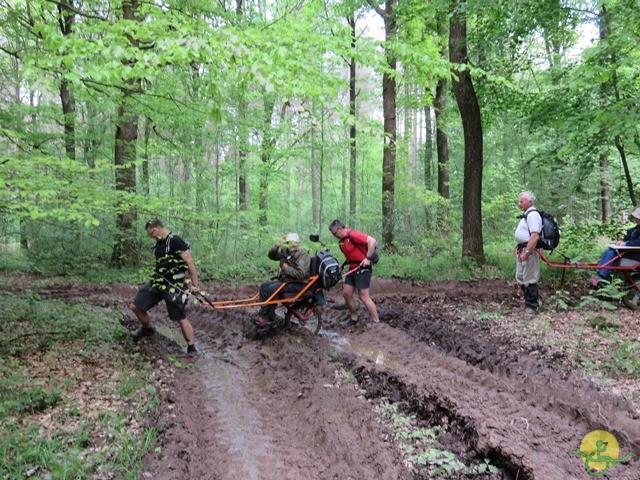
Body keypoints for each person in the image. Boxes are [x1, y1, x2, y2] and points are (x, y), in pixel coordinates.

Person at [130, 219, 201, 354]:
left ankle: (192, 348)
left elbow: (189, 261)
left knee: (180, 318)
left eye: (151, 233)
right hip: (158, 282)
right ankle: (148, 330)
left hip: (174, 285)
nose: (150, 237)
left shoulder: (175, 240)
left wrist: (195, 284)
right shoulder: (159, 242)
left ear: (157, 228)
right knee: (135, 306)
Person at [253, 233, 311, 327]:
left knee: (272, 288)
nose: (291, 245)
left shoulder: (303, 255)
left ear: (298, 243)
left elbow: (301, 274)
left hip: (298, 283)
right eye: (289, 242)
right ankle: (266, 314)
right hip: (287, 281)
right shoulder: (285, 252)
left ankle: (268, 317)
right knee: (264, 287)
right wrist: (276, 246)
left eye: (294, 243)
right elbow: (272, 256)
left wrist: (286, 268)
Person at [328, 219, 379, 326]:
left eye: (334, 233)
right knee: (346, 294)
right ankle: (354, 318)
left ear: (340, 229)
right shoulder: (343, 241)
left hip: (363, 269)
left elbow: (372, 241)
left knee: (363, 296)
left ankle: (376, 321)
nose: (334, 236)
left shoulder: (353, 234)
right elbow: (352, 253)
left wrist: (368, 258)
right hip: (352, 268)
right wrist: (343, 264)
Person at [588, 207, 640, 287]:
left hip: (636, 255)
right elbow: (627, 239)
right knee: (607, 251)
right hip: (629, 251)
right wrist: (622, 242)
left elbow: (637, 242)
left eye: (637, 218)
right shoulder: (635, 229)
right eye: (635, 217)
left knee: (612, 253)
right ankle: (598, 275)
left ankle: (602, 278)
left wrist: (625, 244)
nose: (635, 219)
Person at [515, 192, 542, 314]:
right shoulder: (527, 215)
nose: (519, 204)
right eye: (519, 201)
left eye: (522, 201)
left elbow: (535, 236)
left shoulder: (533, 215)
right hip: (523, 249)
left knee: (530, 278)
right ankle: (528, 303)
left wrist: (527, 252)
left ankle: (532, 306)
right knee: (521, 277)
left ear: (530, 202)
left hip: (530, 251)